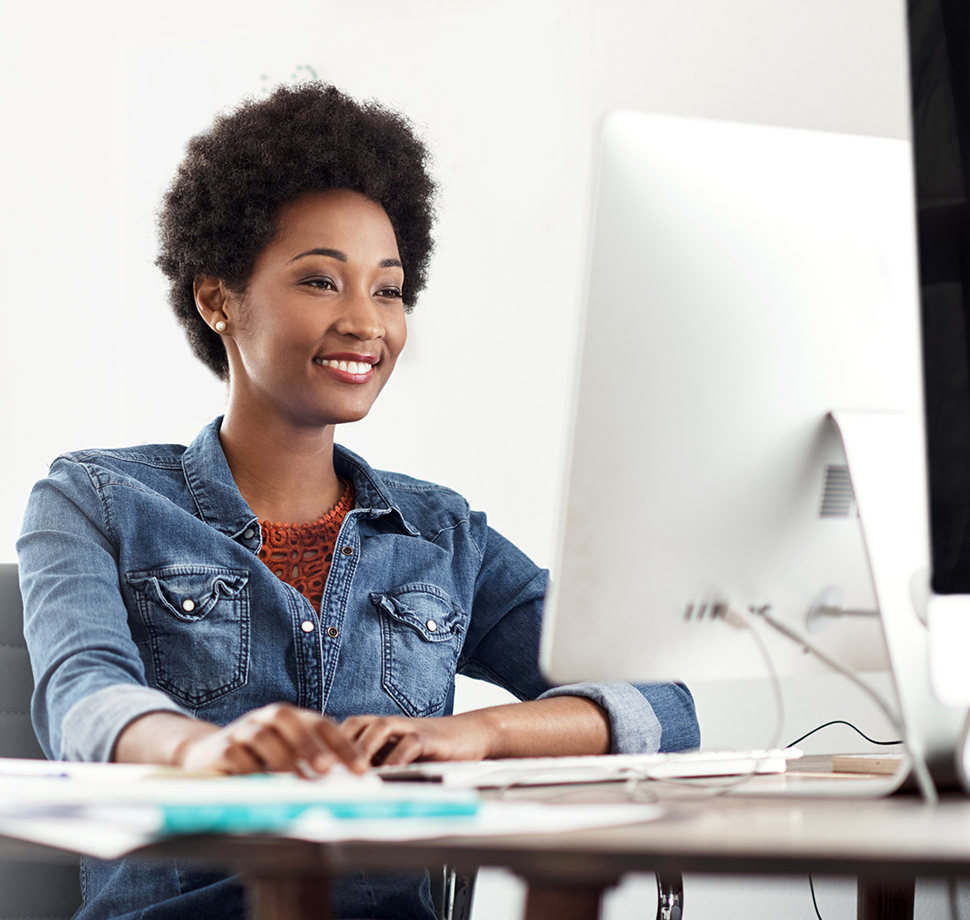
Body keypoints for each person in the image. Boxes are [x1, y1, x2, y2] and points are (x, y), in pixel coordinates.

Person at [17, 83, 699, 920]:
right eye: (319, 281)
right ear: (216, 297)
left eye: (387, 289)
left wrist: (479, 733)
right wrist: (206, 751)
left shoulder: (440, 534)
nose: (365, 323)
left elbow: (662, 702)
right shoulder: (96, 499)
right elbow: (81, 697)